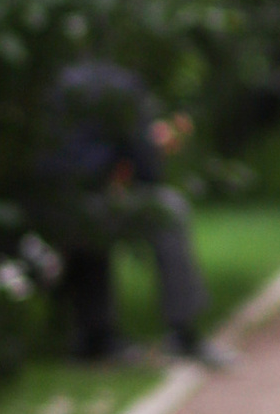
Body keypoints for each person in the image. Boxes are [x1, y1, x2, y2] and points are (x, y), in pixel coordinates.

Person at [38, 57, 224, 365]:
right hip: (89, 206)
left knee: (92, 223)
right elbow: (145, 167)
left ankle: (94, 336)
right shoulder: (122, 86)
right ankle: (184, 331)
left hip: (50, 203)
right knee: (168, 209)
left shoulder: (52, 83)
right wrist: (157, 147)